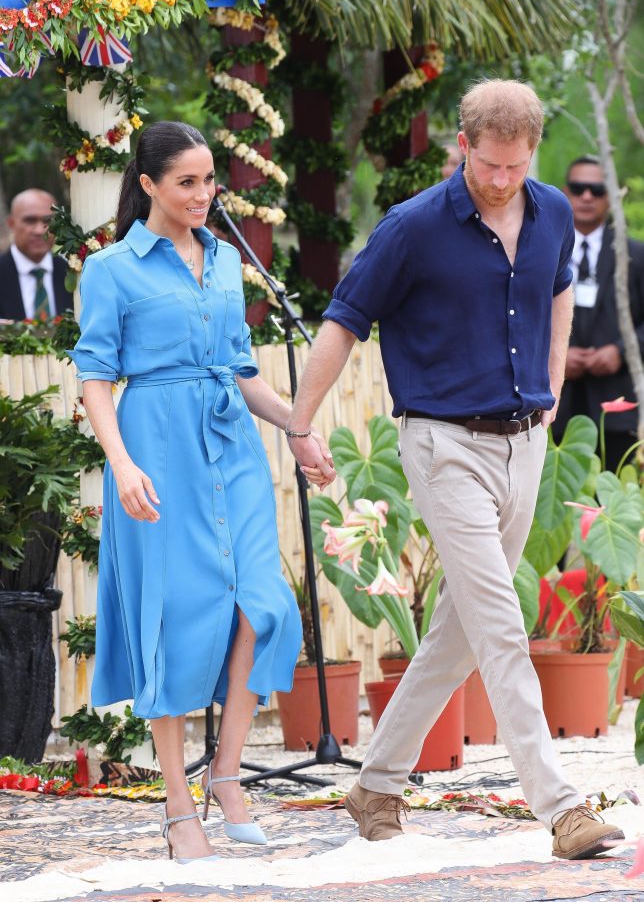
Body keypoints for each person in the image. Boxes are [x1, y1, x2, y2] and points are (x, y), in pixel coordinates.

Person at [286, 81, 624, 860]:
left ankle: (376, 783)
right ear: (462, 146)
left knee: (461, 633)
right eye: (488, 165)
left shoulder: (549, 217)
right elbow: (342, 321)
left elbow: (560, 291)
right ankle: (562, 807)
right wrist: (302, 424)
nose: (501, 180)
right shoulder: (411, 228)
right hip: (442, 445)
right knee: (502, 621)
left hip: (523, 442)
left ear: (531, 151)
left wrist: (551, 384)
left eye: (515, 165)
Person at [68, 121, 334, 863]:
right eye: (186, 181)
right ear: (148, 184)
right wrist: (120, 463)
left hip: (233, 454)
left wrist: (299, 427)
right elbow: (94, 376)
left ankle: (226, 774)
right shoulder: (111, 269)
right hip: (155, 446)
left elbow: (241, 369)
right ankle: (179, 807)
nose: (202, 194)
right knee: (174, 618)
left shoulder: (224, 262)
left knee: (267, 605)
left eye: (209, 179)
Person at [554, 156, 644, 470]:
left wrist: (620, 351)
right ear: (566, 192)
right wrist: (557, 356)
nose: (587, 196)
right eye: (579, 188)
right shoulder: (544, 252)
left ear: (610, 196)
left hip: (618, 408)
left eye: (597, 189)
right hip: (553, 407)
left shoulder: (635, 254)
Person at [0, 188, 73, 320]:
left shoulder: (72, 273)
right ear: (11, 223)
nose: (39, 230)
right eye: (30, 220)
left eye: (48, 221)